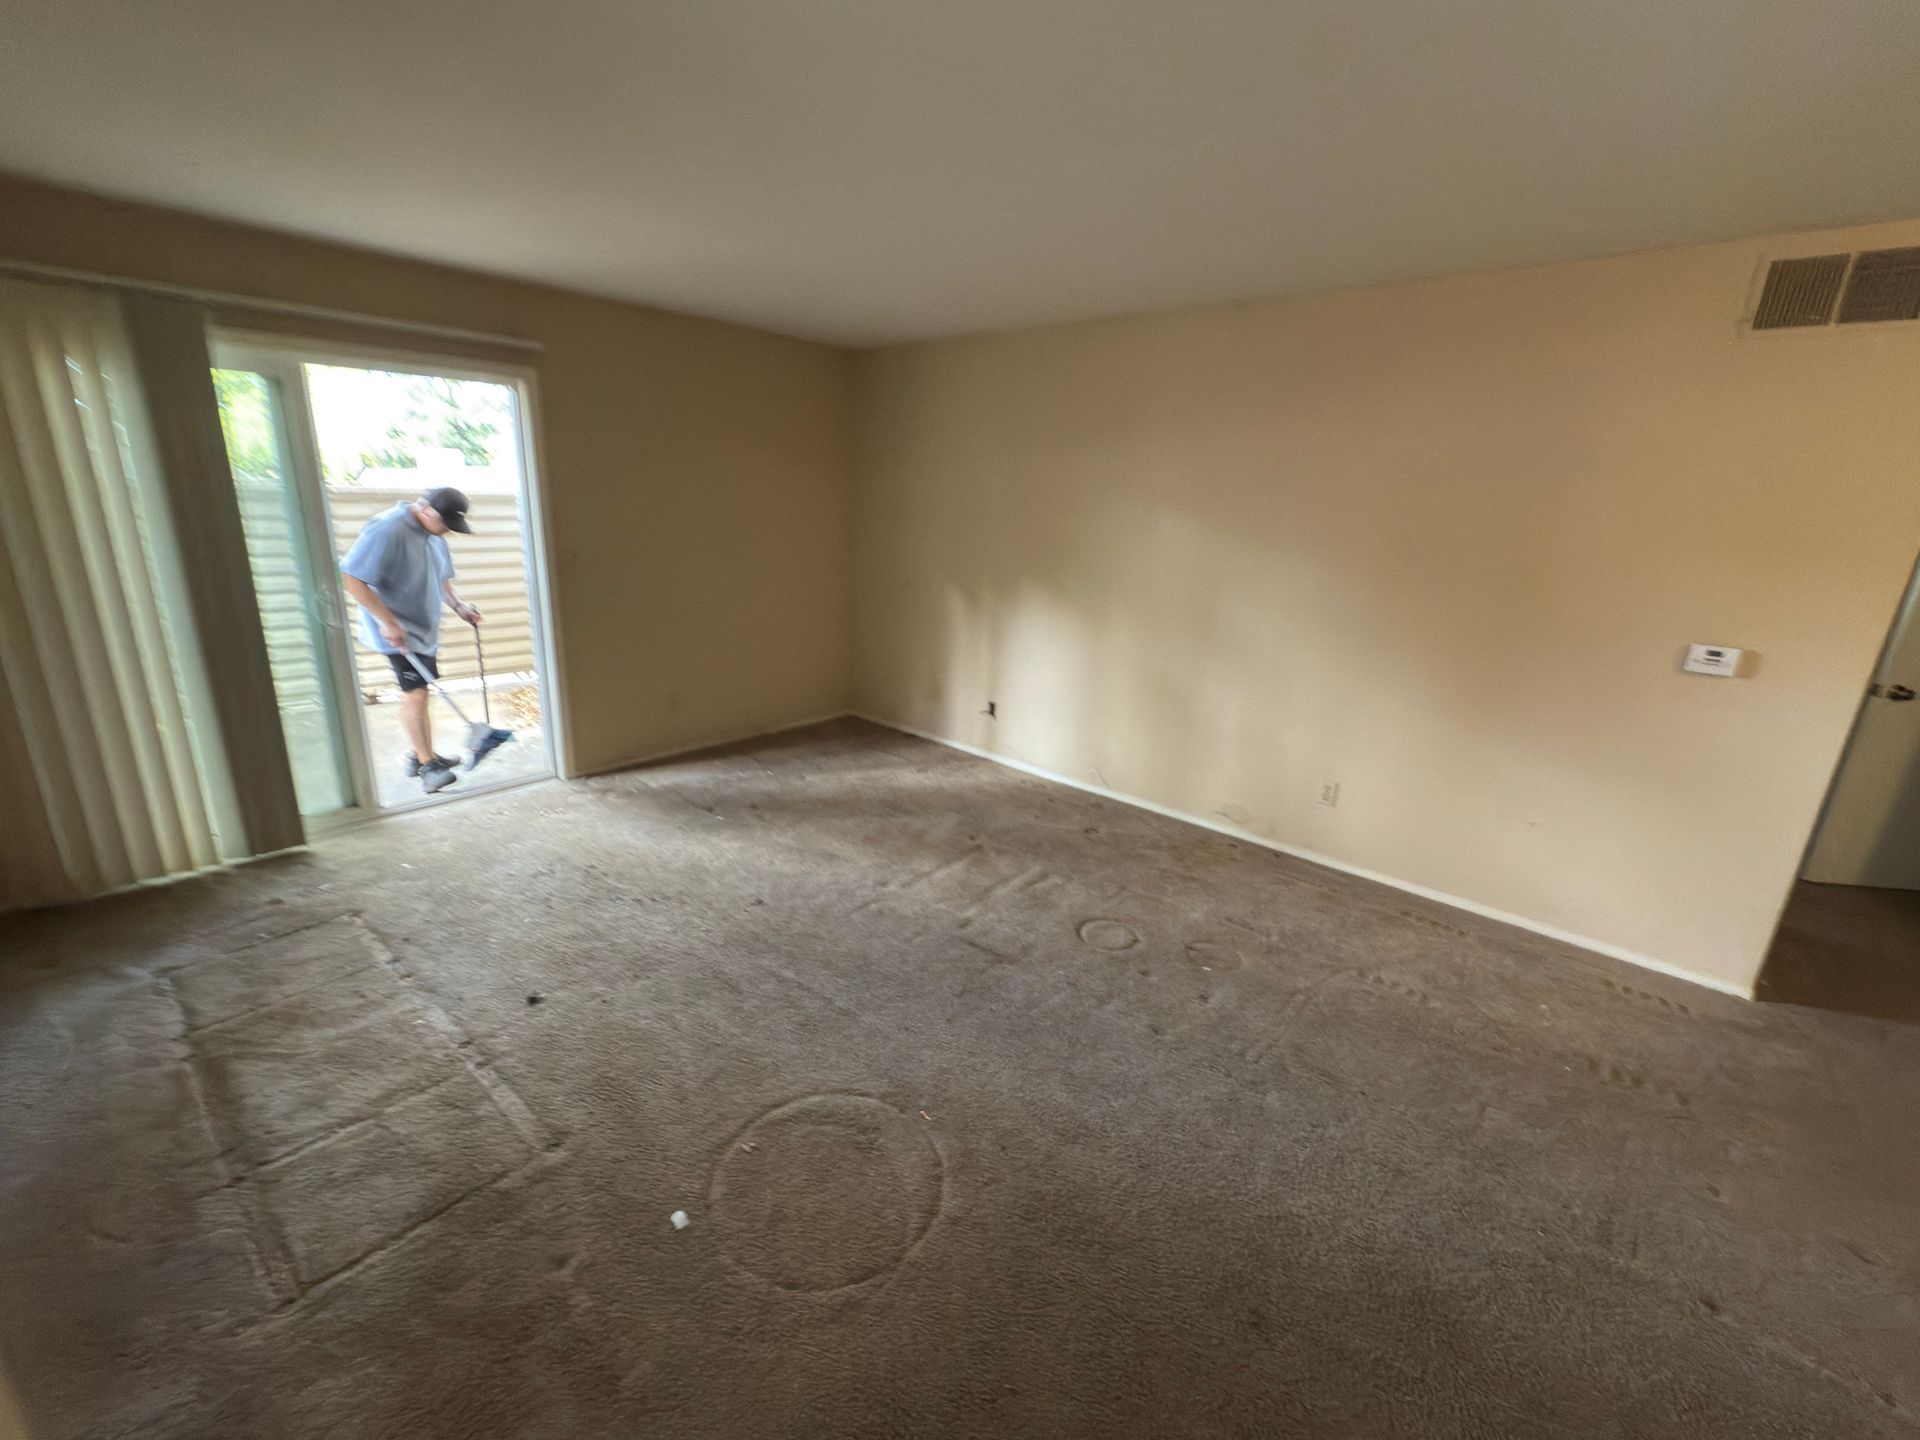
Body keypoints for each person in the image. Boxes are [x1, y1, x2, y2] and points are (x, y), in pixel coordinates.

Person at [339, 486, 483, 794]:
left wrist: (458, 606)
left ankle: (422, 755)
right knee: (415, 693)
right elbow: (353, 578)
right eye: (445, 523)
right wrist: (387, 622)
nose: (447, 531)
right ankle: (427, 766)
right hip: (397, 632)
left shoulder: (435, 535)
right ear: (426, 510)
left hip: (422, 630)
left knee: (422, 692)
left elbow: (441, 576)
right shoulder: (387, 529)